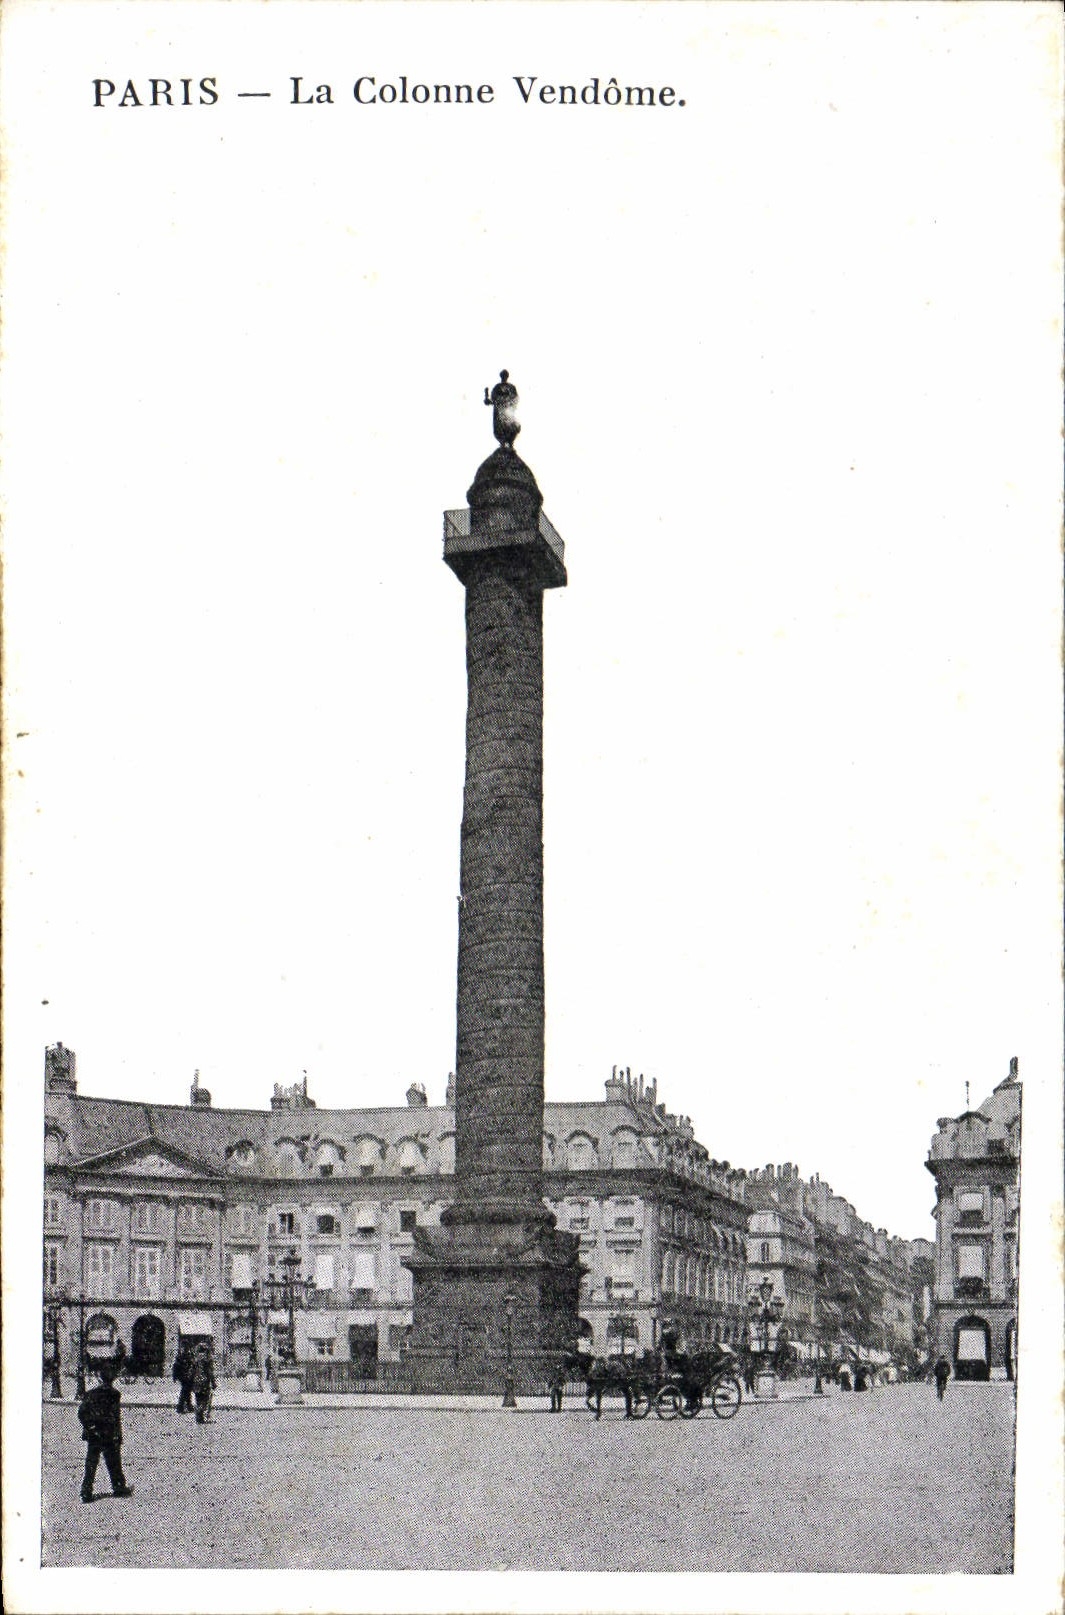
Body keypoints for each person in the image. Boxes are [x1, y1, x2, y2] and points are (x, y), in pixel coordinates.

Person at [78, 1361, 133, 1503]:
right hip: (108, 1433)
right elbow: (115, 1417)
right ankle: (118, 1486)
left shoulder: (91, 1394)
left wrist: (90, 1427)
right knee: (114, 1462)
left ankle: (86, 1491)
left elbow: (82, 1413)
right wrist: (118, 1435)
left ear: (100, 1378)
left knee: (91, 1463)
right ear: (113, 1379)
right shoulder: (114, 1394)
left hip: (94, 1435)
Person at [191, 1344, 215, 1424]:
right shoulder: (207, 1360)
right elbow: (210, 1373)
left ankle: (199, 1418)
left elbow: (191, 1372)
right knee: (205, 1401)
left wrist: (191, 1382)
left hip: (196, 1383)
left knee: (198, 1400)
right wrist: (213, 1382)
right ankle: (199, 1414)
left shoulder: (195, 1360)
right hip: (204, 1383)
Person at [172, 1346, 193, 1414]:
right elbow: (175, 1367)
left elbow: (191, 1365)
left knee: (187, 1391)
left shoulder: (189, 1356)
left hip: (188, 1376)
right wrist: (175, 1377)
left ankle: (189, 1406)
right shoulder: (179, 1357)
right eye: (184, 1348)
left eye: (186, 1348)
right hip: (182, 1377)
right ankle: (180, 1407)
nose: (185, 1350)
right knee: (184, 1391)